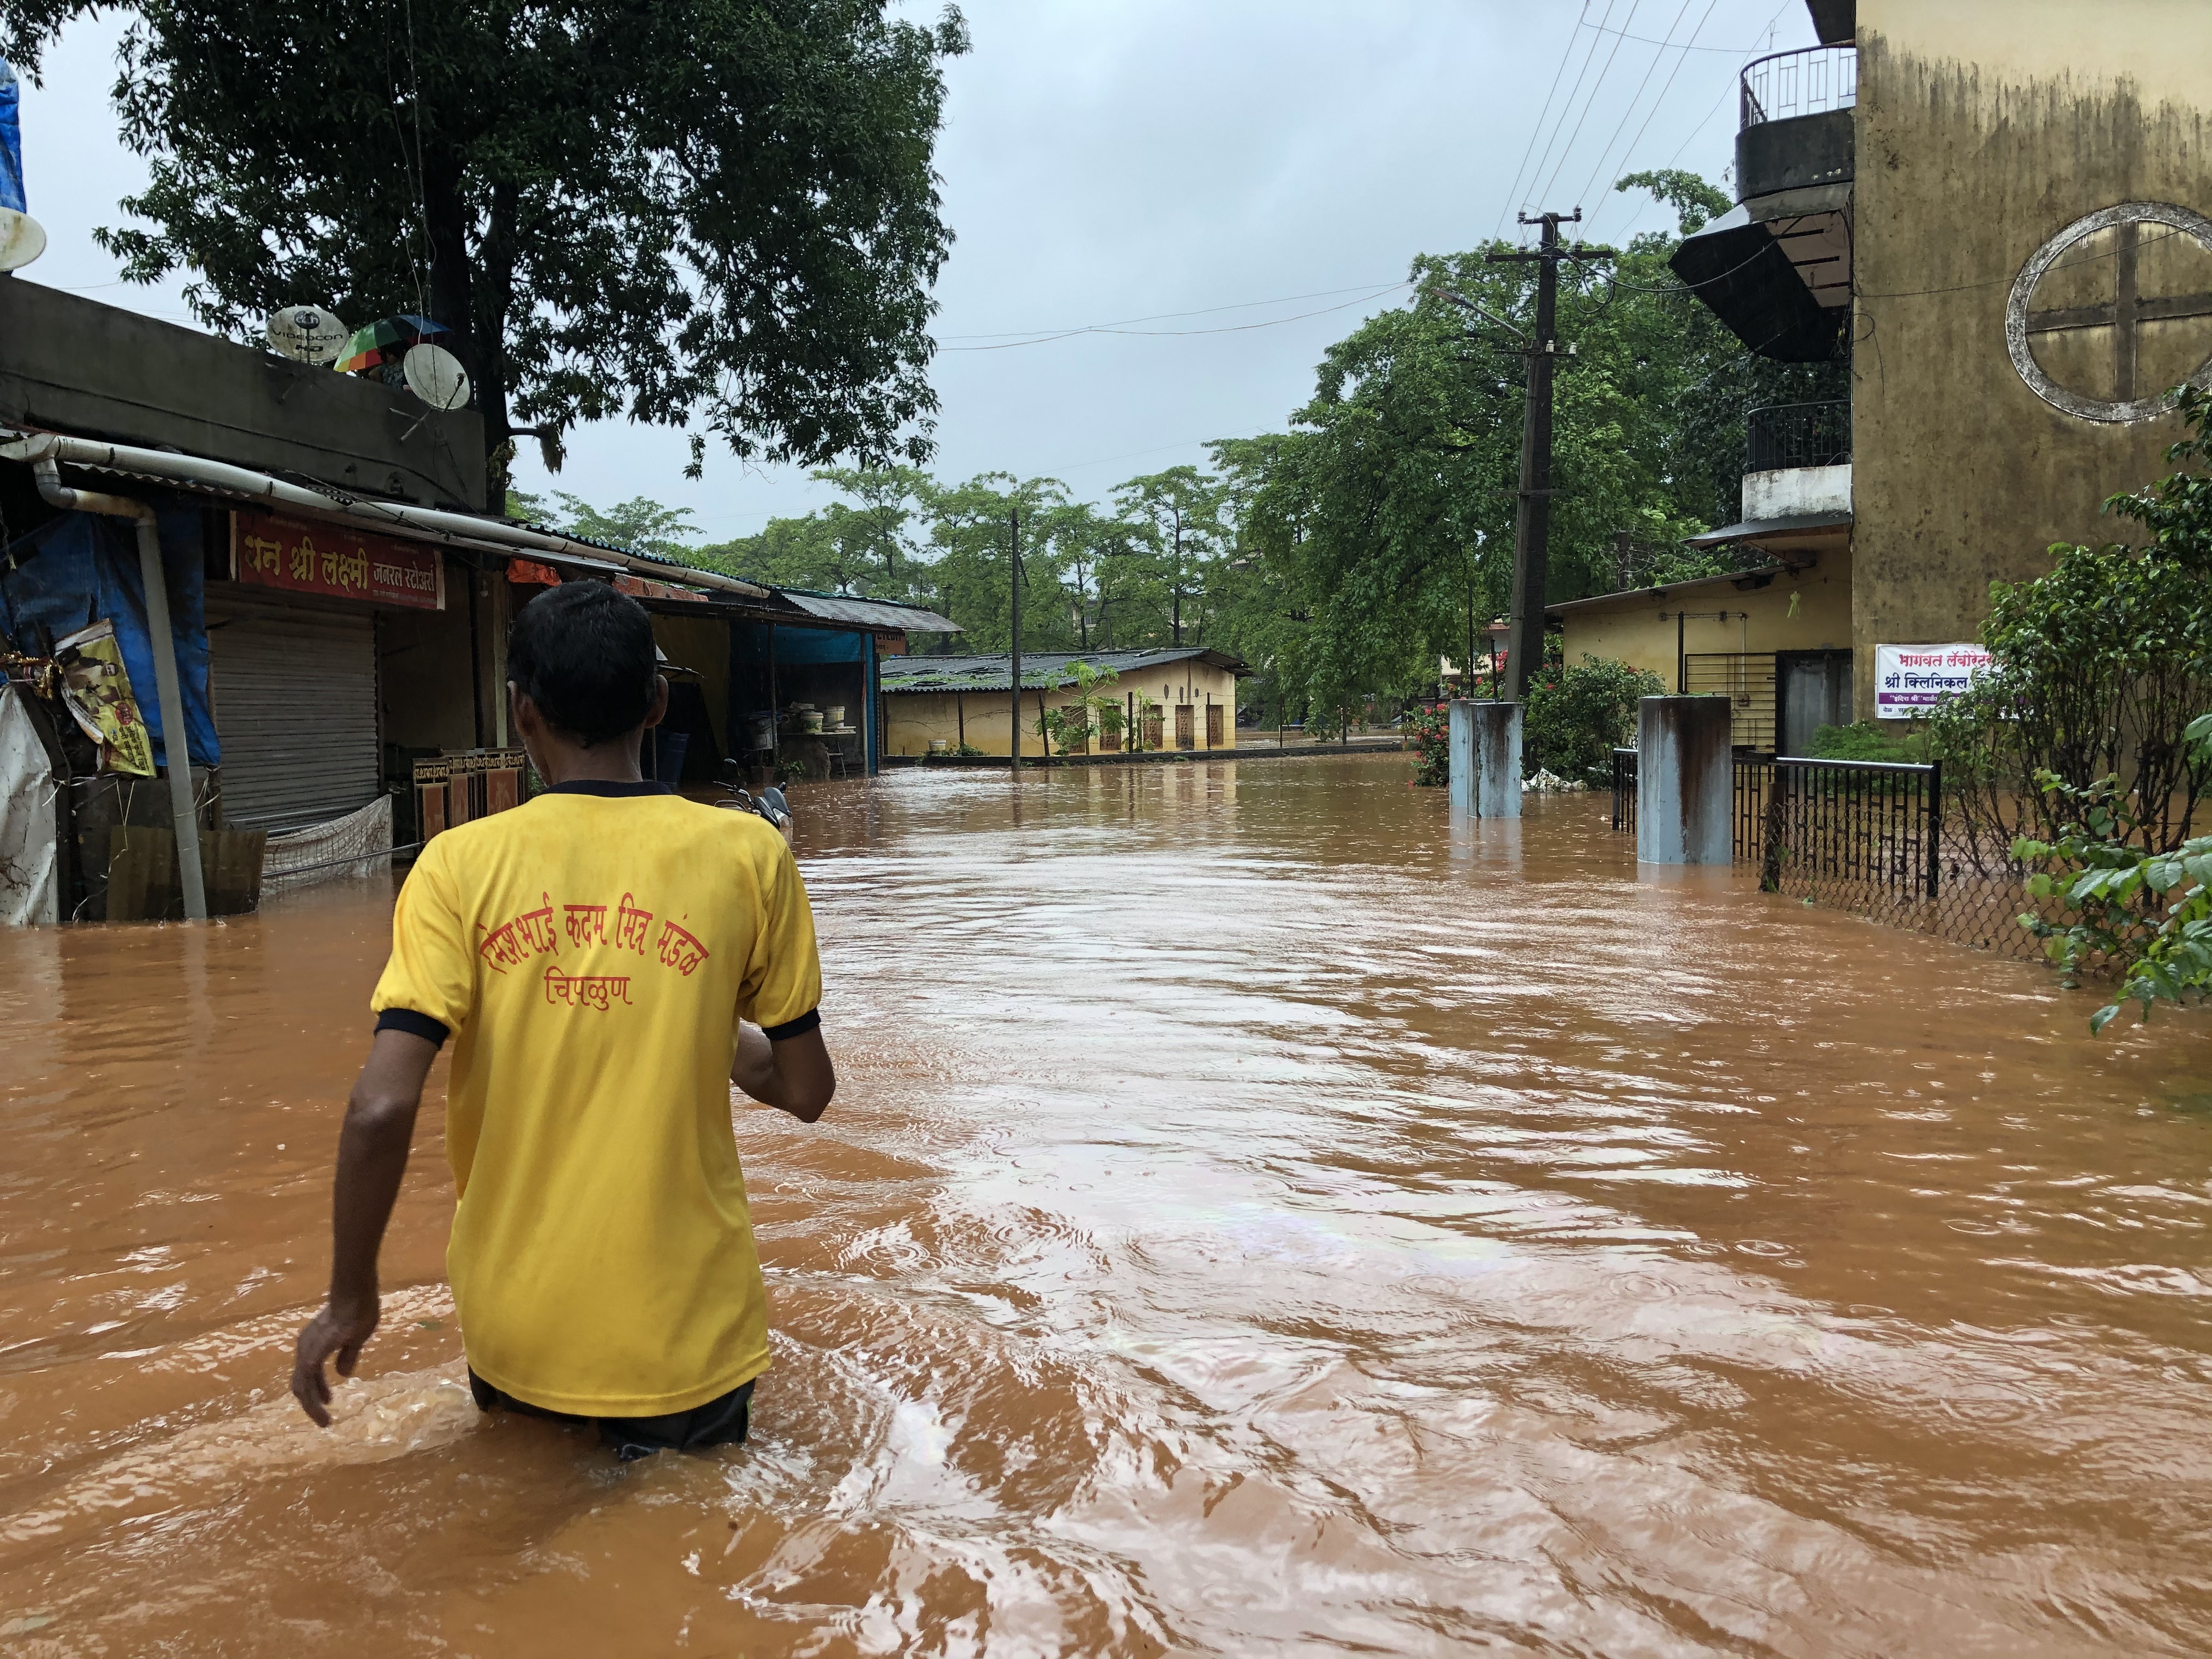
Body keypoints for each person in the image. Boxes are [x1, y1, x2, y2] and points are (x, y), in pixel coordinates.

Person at [290, 580, 834, 1459]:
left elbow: (381, 1107)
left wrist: (352, 1297)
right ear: (657, 703)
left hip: (519, 1328)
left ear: (522, 712)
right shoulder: (750, 854)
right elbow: (807, 1090)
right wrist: (696, 1020)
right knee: (682, 1572)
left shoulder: (456, 865)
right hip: (687, 1331)